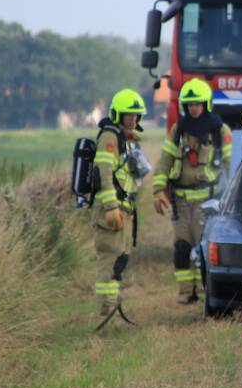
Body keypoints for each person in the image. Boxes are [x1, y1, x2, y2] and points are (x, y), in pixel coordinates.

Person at [152, 78, 232, 304]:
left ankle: (209, 292)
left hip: (207, 203)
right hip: (181, 203)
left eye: (198, 104)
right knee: (181, 249)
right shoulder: (178, 130)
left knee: (205, 251)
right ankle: (186, 293)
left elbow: (229, 166)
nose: (194, 109)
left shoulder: (220, 131)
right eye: (190, 105)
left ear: (206, 104)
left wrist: (227, 199)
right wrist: (158, 188)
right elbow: (165, 160)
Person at [93, 88, 147, 326]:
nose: (132, 119)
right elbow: (102, 172)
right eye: (128, 115)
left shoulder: (126, 139)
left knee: (120, 260)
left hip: (124, 209)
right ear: (117, 115)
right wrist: (111, 206)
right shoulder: (109, 137)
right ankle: (106, 309)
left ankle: (112, 306)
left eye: (135, 115)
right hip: (111, 210)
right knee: (109, 258)